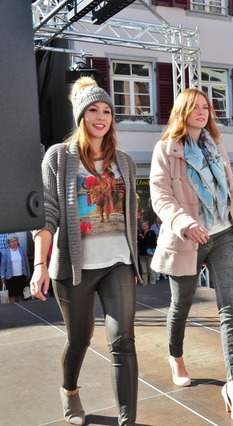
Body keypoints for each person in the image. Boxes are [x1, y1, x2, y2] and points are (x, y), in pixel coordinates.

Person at [30, 77, 140, 426]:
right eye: (93, 109)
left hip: (119, 262)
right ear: (80, 115)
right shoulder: (58, 158)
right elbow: (47, 214)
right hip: (77, 267)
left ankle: (128, 421)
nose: (101, 117)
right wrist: (39, 264)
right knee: (79, 340)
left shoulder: (124, 161)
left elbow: (130, 215)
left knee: (123, 341)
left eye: (107, 110)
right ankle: (70, 390)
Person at [150, 88, 233, 422]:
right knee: (181, 304)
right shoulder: (166, 149)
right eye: (195, 107)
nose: (202, 112)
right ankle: (176, 357)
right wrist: (184, 223)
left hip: (224, 233)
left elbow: (231, 191)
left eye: (206, 107)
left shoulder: (216, 146)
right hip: (187, 238)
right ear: (182, 111)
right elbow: (159, 195)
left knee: (230, 309)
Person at [1, 235, 30, 303]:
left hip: (21, 276)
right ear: (9, 243)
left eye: (15, 241)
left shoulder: (22, 250)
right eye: (12, 241)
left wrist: (28, 273)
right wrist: (2, 276)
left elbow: (26, 262)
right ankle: (13, 309)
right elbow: (2, 265)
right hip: (10, 277)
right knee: (12, 295)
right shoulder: (5, 252)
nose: (14, 243)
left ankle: (22, 309)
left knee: (21, 294)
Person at [137, 220, 157, 285]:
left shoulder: (152, 233)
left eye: (145, 224)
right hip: (142, 254)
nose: (144, 226)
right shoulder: (140, 234)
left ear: (148, 226)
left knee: (151, 270)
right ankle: (145, 284)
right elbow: (139, 243)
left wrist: (143, 239)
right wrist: (143, 239)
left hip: (149, 253)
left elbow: (152, 243)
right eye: (143, 225)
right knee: (144, 270)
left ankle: (153, 283)